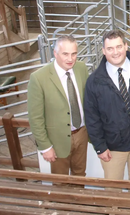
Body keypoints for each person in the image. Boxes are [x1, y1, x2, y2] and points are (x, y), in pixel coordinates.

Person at [84, 30, 130, 182]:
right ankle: (113, 208)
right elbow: (91, 116)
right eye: (110, 48)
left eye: (119, 46)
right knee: (112, 190)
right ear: (103, 51)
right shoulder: (94, 81)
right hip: (112, 148)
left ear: (126, 46)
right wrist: (100, 146)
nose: (115, 52)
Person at [27, 35, 90, 176]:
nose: (70, 59)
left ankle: (78, 198)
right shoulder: (38, 78)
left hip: (81, 134)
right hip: (56, 140)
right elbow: (35, 117)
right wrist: (45, 146)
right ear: (55, 53)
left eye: (74, 54)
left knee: (80, 175)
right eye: (65, 54)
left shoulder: (81, 68)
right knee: (60, 181)